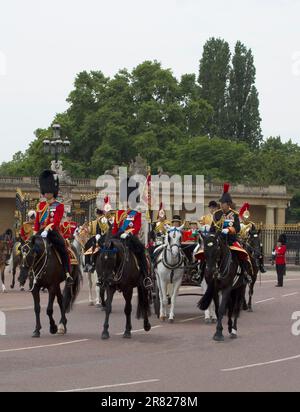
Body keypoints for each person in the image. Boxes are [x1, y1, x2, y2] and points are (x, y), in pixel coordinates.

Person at [34, 170, 73, 286]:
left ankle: (67, 273)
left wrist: (47, 229)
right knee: (29, 249)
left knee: (63, 250)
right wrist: (35, 232)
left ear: (53, 192)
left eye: (48, 192)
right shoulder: (40, 205)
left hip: (52, 232)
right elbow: (37, 221)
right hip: (40, 232)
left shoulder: (59, 206)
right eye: (45, 192)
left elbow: (56, 221)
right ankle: (30, 271)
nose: (46, 194)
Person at [209, 183, 253, 282]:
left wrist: (229, 230)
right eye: (220, 202)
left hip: (230, 240)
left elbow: (237, 228)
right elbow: (212, 228)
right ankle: (201, 273)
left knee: (242, 253)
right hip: (217, 239)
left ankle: (245, 273)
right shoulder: (217, 214)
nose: (221, 204)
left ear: (228, 204)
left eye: (223, 203)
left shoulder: (234, 214)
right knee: (206, 251)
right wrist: (210, 235)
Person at [112, 206, 152, 289]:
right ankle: (107, 276)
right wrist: (113, 237)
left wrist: (129, 233)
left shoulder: (136, 213)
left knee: (141, 252)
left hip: (131, 238)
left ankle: (145, 276)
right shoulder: (118, 213)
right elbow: (115, 227)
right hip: (118, 238)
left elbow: (137, 227)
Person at [84, 196, 115, 272]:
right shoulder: (101, 219)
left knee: (99, 245)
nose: (106, 212)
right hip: (102, 236)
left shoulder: (113, 218)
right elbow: (98, 227)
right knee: (88, 244)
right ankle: (88, 264)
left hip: (111, 236)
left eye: (107, 210)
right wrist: (98, 234)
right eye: (105, 210)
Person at [239, 202, 266, 273]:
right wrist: (240, 240)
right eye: (245, 217)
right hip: (240, 241)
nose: (246, 219)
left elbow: (255, 234)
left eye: (247, 217)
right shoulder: (240, 224)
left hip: (250, 241)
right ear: (243, 217)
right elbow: (237, 233)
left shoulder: (252, 224)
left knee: (260, 247)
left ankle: (261, 265)